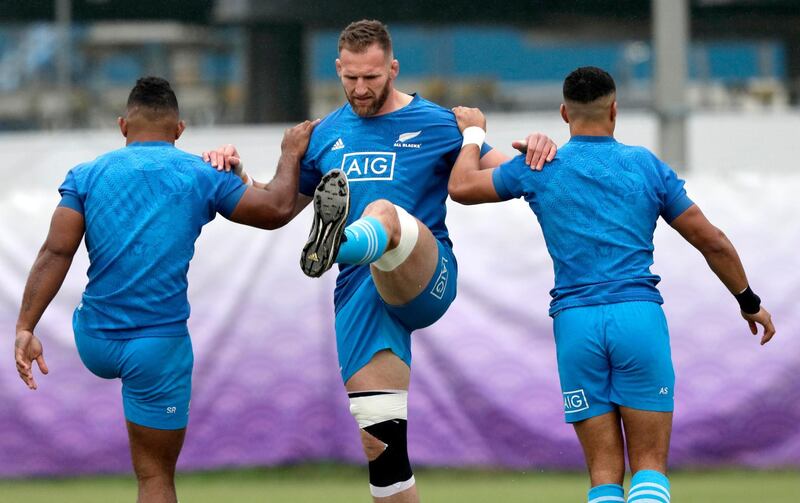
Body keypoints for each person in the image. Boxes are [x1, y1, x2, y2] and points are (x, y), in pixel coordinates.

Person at [203, 19, 556, 502]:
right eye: (350, 78)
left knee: (384, 215)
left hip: (425, 274)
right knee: (384, 456)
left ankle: (340, 244)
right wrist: (238, 173)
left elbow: (508, 173)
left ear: (392, 68)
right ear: (338, 68)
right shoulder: (325, 135)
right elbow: (277, 205)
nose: (360, 88)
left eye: (371, 77)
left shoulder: (436, 122)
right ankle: (341, 247)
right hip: (361, 297)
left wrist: (539, 149)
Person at [446, 66, 776, 503]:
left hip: (576, 325)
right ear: (615, 110)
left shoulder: (540, 167)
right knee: (650, 469)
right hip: (636, 318)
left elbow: (462, 186)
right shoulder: (644, 166)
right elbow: (712, 241)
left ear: (565, 113)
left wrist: (472, 134)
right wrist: (747, 300)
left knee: (604, 476)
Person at [13, 76, 317, 503]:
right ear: (179, 129)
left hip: (94, 339)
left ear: (123, 126)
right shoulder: (200, 172)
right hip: (156, 345)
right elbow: (276, 210)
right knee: (154, 478)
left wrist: (26, 326)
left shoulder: (85, 175)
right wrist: (289, 154)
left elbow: (55, 252)